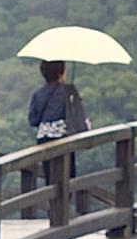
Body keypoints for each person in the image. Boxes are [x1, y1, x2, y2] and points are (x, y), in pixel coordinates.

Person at [26, 59, 90, 210]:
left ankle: (54, 210)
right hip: (64, 137)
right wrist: (85, 130)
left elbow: (33, 120)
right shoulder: (69, 91)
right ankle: (62, 212)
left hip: (44, 138)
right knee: (68, 175)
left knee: (50, 177)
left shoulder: (38, 94)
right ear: (62, 73)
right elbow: (77, 116)